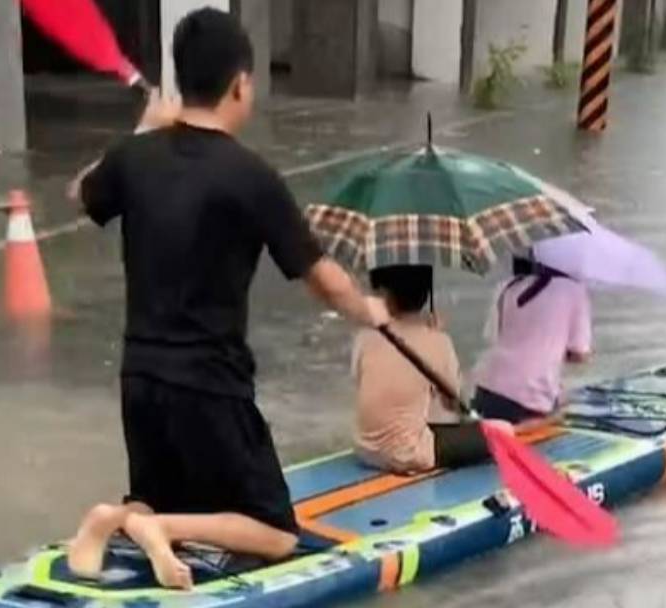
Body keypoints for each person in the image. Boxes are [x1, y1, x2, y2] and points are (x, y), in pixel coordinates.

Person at [63, 9, 389, 590]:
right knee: (277, 531)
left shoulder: (135, 159)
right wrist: (371, 312)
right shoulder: (251, 175)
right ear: (240, 84)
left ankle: (125, 518)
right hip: (210, 385)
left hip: (139, 380)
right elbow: (321, 276)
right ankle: (155, 525)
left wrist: (142, 131)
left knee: (155, 493)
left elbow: (78, 194)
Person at [353, 265, 503, 474]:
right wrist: (435, 337)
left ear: (384, 293)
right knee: (502, 431)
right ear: (426, 295)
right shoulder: (438, 341)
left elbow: (364, 382)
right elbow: (454, 401)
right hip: (408, 455)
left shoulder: (365, 336)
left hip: (364, 450)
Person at [472, 257, 592, 430]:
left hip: (487, 386)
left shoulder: (506, 286)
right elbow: (580, 353)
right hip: (530, 396)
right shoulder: (573, 290)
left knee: (494, 448)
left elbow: (494, 336)